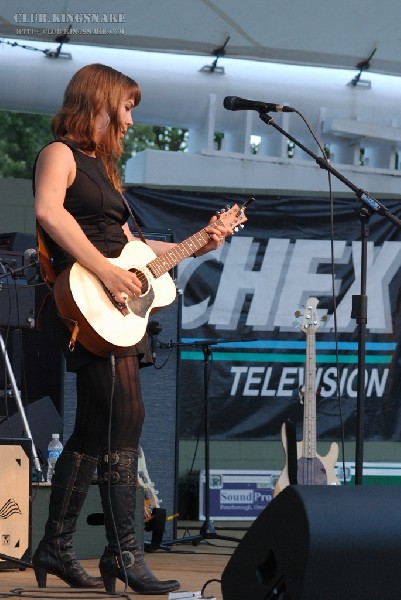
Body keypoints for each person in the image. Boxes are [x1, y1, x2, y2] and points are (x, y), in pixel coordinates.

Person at [32, 63, 229, 594]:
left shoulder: (106, 172)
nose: (130, 118)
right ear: (98, 99)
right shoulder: (59, 154)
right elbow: (50, 214)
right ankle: (122, 554)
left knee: (98, 427)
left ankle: (56, 543)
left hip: (118, 304)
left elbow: (136, 250)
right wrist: (105, 270)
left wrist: (198, 243)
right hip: (89, 297)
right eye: (127, 105)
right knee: (125, 417)